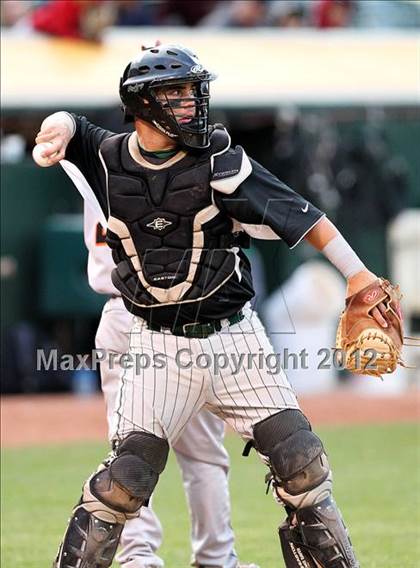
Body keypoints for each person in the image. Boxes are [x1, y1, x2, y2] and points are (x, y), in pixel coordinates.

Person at [35, 43, 389, 567]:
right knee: (122, 483)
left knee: (301, 463)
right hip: (153, 340)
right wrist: (60, 123)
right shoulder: (107, 156)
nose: (192, 103)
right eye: (176, 94)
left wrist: (359, 276)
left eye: (191, 92)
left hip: (233, 339)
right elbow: (73, 125)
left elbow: (304, 216)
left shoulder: (221, 160)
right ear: (143, 103)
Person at [84, 202, 258, 568]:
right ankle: (215, 557)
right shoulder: (180, 163)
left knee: (128, 451)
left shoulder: (92, 158)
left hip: (124, 313)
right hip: (185, 314)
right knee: (202, 456)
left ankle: (138, 556)